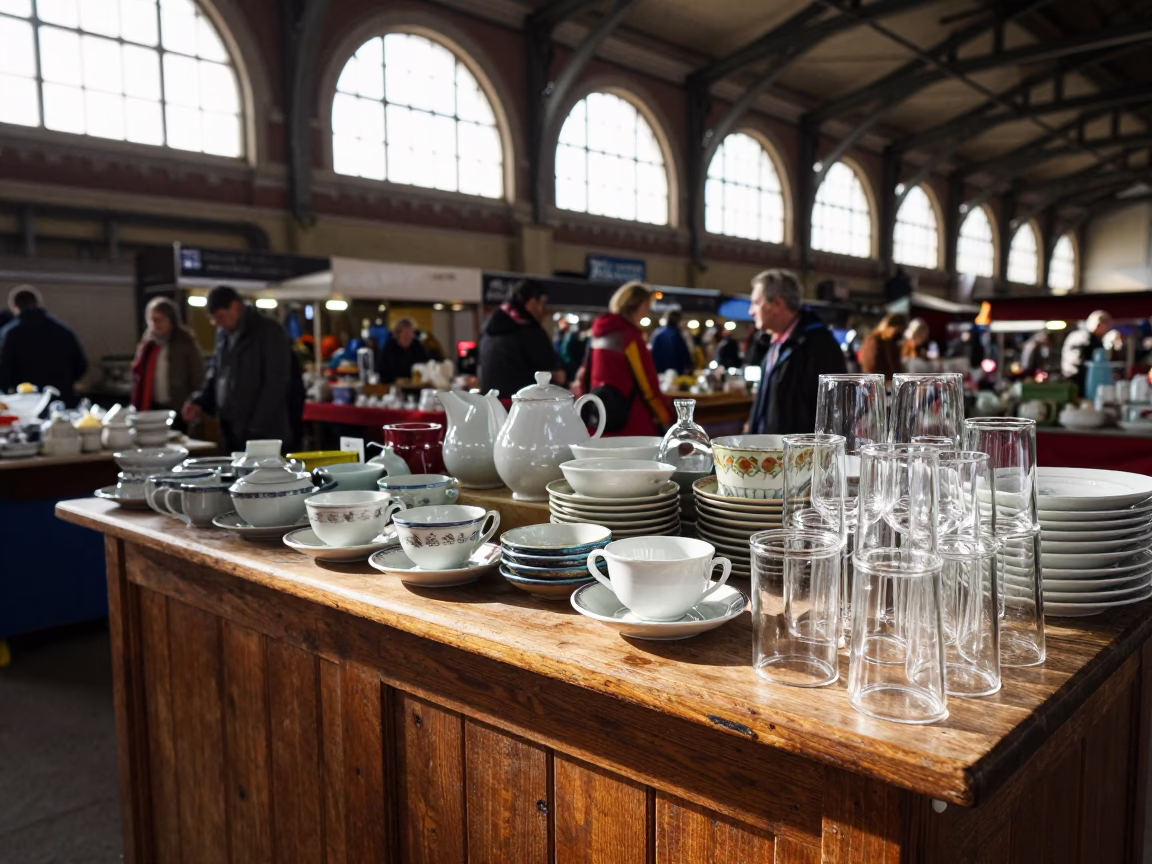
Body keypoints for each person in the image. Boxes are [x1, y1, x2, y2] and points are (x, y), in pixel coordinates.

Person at [182, 285, 296, 453]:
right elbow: (217, 373)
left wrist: (255, 427)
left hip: (263, 434)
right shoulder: (223, 334)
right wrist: (200, 401)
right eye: (213, 319)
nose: (217, 324)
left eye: (220, 317)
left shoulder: (269, 331)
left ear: (235, 307)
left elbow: (276, 383)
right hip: (231, 429)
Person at [745, 269, 846, 435]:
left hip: (797, 456)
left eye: (756, 303)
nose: (751, 311)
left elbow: (833, 412)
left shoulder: (818, 345)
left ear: (777, 304)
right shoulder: (775, 341)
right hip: (769, 452)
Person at [576, 281, 671, 435]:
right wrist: (666, 418)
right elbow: (648, 386)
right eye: (647, 305)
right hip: (632, 424)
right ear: (637, 305)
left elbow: (583, 376)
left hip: (599, 422)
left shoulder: (598, 333)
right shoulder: (631, 338)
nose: (647, 311)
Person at [0, 284, 88, 405]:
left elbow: (4, 370)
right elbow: (81, 365)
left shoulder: (11, 334)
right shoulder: (63, 331)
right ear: (37, 303)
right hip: (62, 399)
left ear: (15, 308)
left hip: (27, 401)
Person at [131, 297, 205, 428]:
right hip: (152, 406)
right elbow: (138, 374)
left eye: (159, 320)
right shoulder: (148, 344)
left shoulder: (184, 342)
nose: (155, 324)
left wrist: (197, 403)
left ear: (170, 320)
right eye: (152, 320)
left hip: (178, 407)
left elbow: (198, 375)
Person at [479, 280, 562, 395]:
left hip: (492, 405)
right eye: (543, 304)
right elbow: (548, 369)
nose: (544, 311)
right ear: (532, 302)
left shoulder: (489, 329)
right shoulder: (530, 330)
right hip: (522, 406)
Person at [1061, 310, 1112, 395]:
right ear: (1099, 324)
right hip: (1077, 385)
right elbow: (1079, 364)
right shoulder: (1083, 338)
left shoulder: (1094, 339)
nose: (1107, 330)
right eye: (1106, 325)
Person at [377, 318, 429, 383]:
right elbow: (382, 371)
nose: (409, 336)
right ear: (398, 334)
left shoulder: (416, 346)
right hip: (393, 386)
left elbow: (424, 364)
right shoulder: (389, 347)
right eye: (406, 333)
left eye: (411, 333)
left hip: (415, 388)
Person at [858, 313, 907, 380]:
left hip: (889, 381)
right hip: (877, 381)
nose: (898, 333)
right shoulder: (874, 339)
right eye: (897, 329)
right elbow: (870, 365)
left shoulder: (892, 341)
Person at [649, 310, 693, 374]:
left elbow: (652, 353)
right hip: (676, 371)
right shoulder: (677, 334)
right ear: (678, 321)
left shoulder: (658, 333)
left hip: (659, 371)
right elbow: (684, 353)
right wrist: (690, 365)